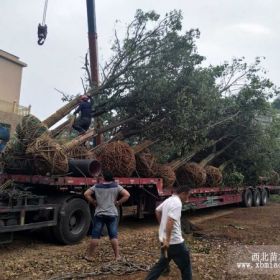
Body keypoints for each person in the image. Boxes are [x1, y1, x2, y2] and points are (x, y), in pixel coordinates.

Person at [145, 185, 192, 280]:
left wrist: (162, 227)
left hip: (164, 239)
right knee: (186, 266)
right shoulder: (177, 203)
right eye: (188, 195)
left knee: (161, 265)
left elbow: (157, 210)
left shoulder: (169, 200)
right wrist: (168, 240)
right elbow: (170, 221)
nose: (188, 198)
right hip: (174, 242)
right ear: (183, 194)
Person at [84, 171, 130, 261]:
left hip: (99, 214)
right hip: (112, 214)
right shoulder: (116, 186)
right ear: (112, 178)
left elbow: (86, 194)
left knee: (95, 236)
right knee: (113, 236)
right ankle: (117, 256)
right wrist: (118, 202)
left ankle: (89, 256)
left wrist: (93, 201)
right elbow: (127, 195)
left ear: (104, 178)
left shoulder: (97, 186)